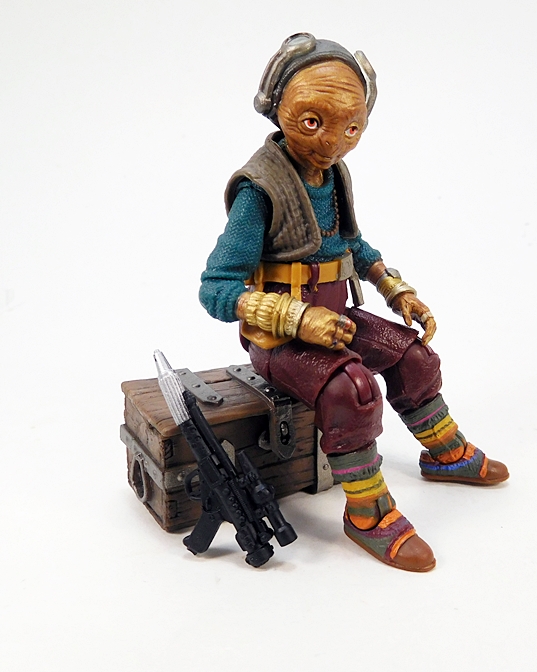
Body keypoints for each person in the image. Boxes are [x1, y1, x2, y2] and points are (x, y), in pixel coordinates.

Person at [200, 34, 508, 571]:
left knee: (412, 354)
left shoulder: (333, 176)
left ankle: (446, 453)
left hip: (337, 319)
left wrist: (397, 289)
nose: (331, 143)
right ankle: (367, 513)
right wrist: (297, 318)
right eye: (312, 121)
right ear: (276, 105)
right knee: (353, 389)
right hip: (280, 341)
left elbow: (352, 245)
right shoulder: (260, 189)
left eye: (351, 128)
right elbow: (216, 288)